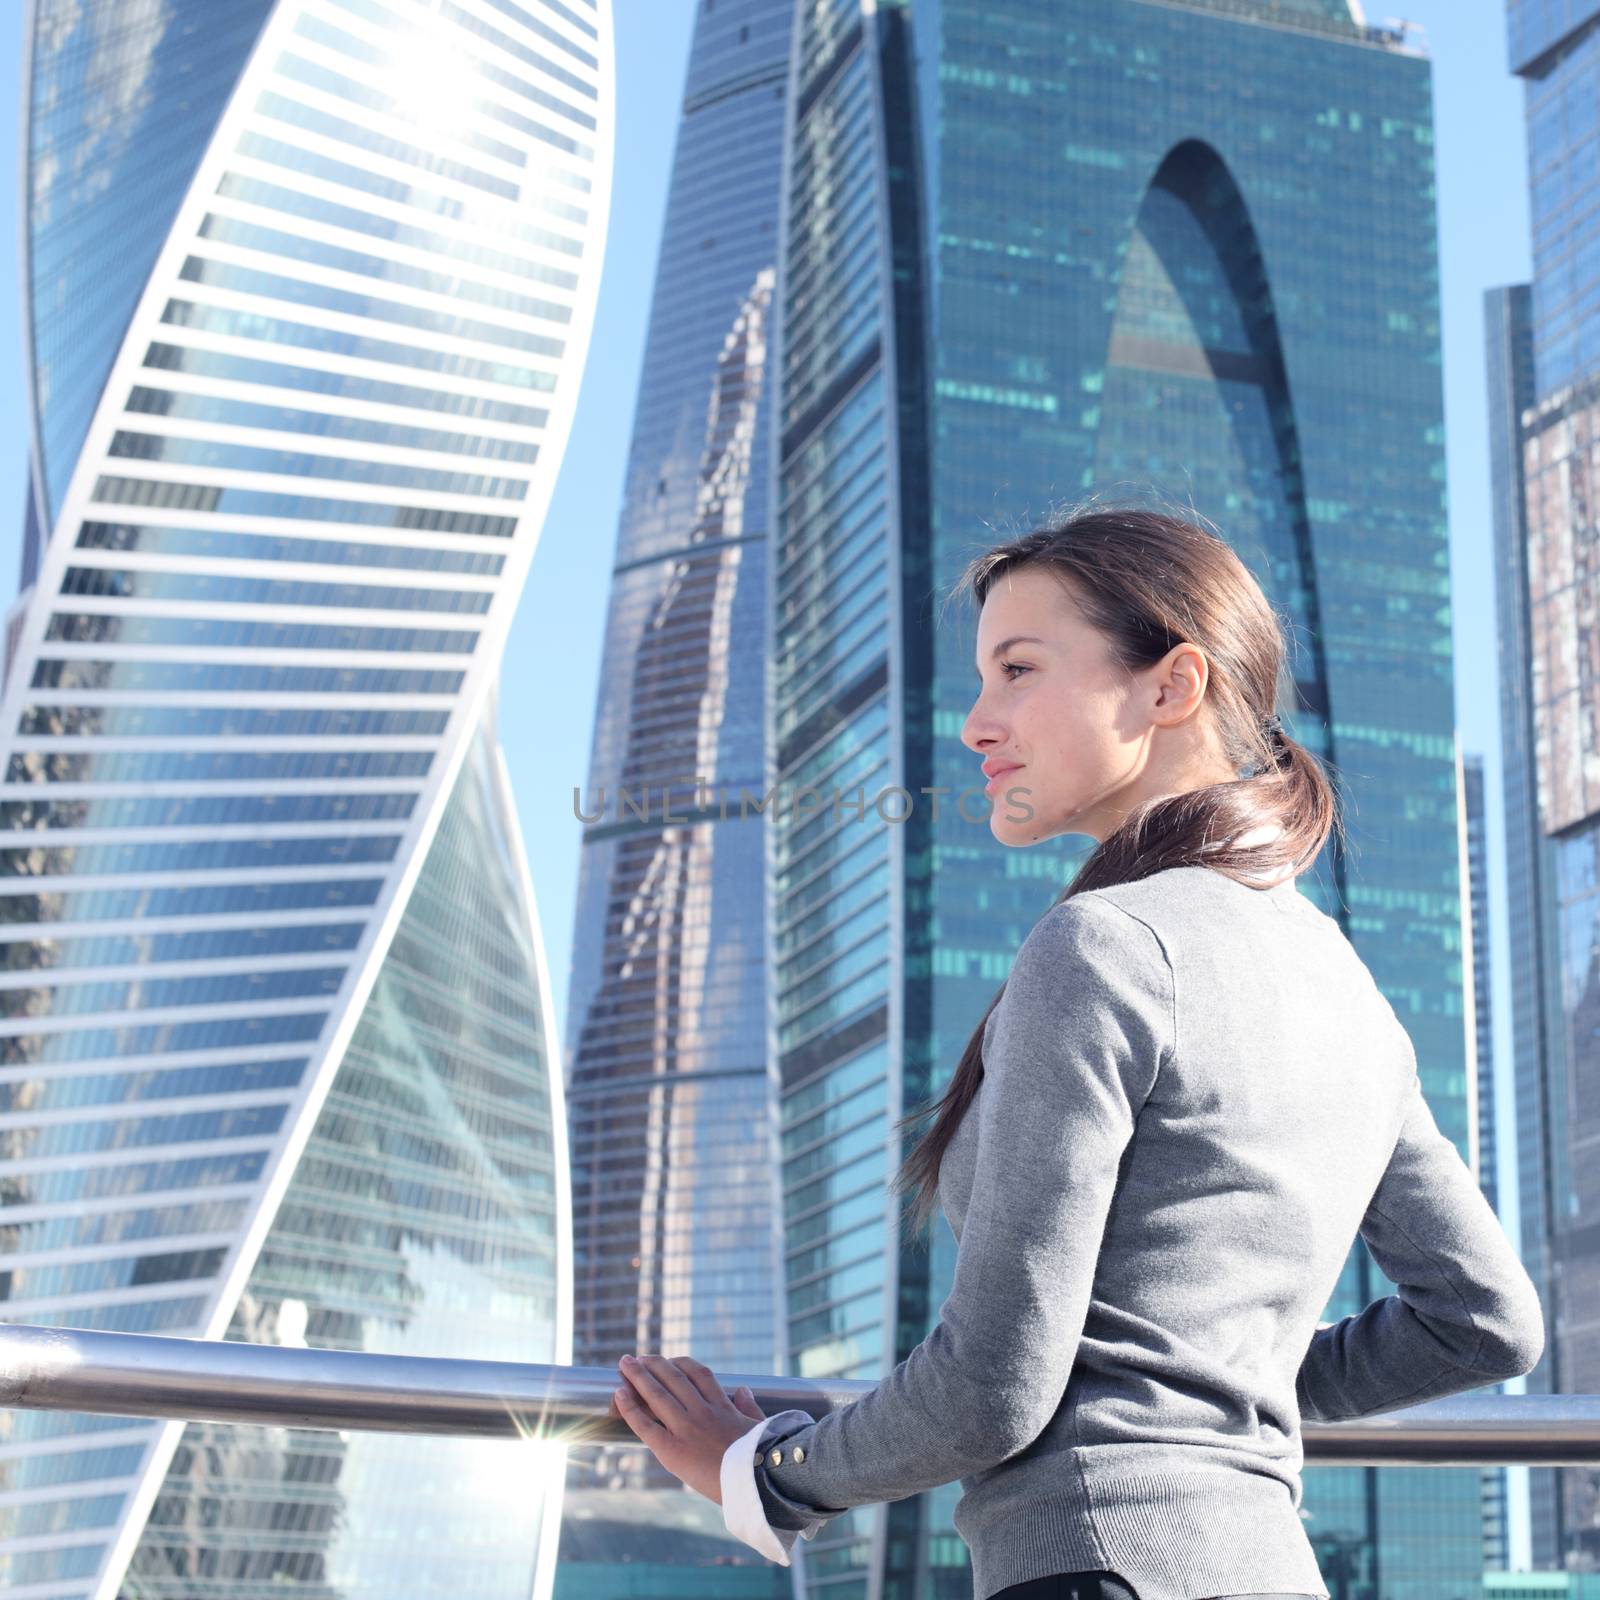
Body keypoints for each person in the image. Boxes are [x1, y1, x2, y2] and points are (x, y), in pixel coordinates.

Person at [609, 506, 1545, 1600]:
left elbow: (991, 1385)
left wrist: (761, 1472)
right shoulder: (1345, 986)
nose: (974, 722)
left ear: (1169, 685)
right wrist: (1200, 1385)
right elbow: (1482, 1323)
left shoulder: (1105, 944)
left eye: (1016, 669)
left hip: (1099, 1566)